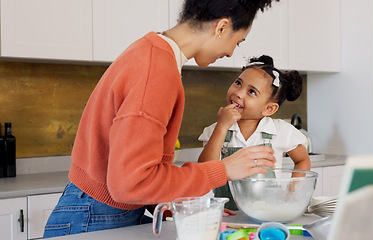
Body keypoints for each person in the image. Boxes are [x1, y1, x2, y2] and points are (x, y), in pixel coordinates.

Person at [43, 0, 279, 238]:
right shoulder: (157, 72)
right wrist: (222, 169)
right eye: (237, 42)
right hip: (96, 217)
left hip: (98, 210)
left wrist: (179, 205)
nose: (230, 52)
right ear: (221, 28)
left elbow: (129, 171)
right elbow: (131, 183)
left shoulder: (151, 51)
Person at [198, 55, 311, 211]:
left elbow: (302, 160)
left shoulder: (280, 131)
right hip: (227, 217)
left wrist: (291, 194)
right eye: (238, 83)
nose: (238, 93)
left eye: (251, 92)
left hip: (267, 214)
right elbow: (204, 170)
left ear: (269, 109)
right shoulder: (215, 130)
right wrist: (222, 127)